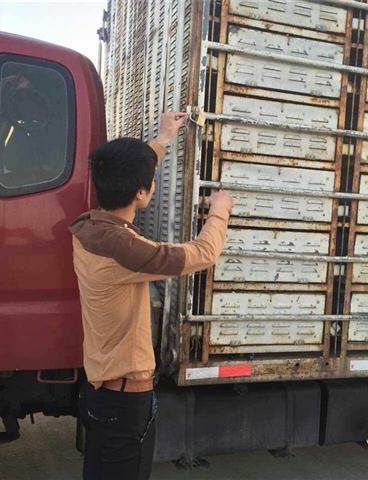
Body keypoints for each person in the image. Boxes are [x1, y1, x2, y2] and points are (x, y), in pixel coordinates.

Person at [68, 111, 234, 480]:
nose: (154, 185)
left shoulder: (89, 228)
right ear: (141, 193)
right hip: (125, 401)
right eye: (151, 181)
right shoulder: (125, 250)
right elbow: (202, 254)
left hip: (102, 393)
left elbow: (129, 177)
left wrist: (162, 139)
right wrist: (220, 210)